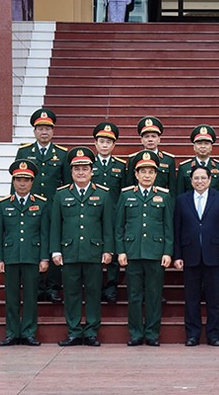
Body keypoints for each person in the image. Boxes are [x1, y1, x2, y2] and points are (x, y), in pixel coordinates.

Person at [50, 147, 114, 347]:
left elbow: (108, 225)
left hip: (94, 252)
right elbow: (55, 225)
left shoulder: (103, 194)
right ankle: (74, 331)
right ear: (71, 172)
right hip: (69, 251)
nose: (80, 172)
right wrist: (55, 250)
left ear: (91, 171)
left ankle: (92, 331)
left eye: (84, 168)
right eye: (76, 168)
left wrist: (108, 249)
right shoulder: (61, 195)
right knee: (71, 293)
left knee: (94, 293)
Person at [116, 151, 174, 347]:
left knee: (154, 294)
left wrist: (167, 252)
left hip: (156, 253)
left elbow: (168, 227)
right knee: (133, 295)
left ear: (156, 175)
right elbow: (119, 226)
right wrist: (121, 251)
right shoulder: (126, 195)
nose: (147, 175)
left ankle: (151, 333)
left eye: (151, 172)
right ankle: (135, 333)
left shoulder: (164, 196)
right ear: (136, 174)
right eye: (143, 172)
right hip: (132, 252)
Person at [174, 165, 219, 347]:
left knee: (214, 299)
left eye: (203, 178)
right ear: (191, 181)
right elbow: (177, 229)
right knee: (191, 299)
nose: (199, 181)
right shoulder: (181, 200)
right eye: (196, 178)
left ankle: (213, 335)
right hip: (190, 255)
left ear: (210, 179)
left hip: (214, 256)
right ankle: (192, 334)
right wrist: (177, 255)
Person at [15, 108, 69, 303]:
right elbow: (17, 181)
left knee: (54, 244)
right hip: (30, 208)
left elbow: (67, 183)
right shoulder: (24, 152)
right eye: (40, 128)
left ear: (53, 131)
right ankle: (36, 286)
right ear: (34, 131)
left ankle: (53, 286)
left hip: (54, 208)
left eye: (47, 128)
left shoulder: (62, 154)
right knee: (34, 244)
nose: (44, 132)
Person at [0, 160, 50, 346]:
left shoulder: (41, 204)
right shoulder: (3, 205)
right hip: (10, 257)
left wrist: (43, 257)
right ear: (13, 181)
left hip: (32, 256)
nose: (22, 183)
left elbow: (44, 232)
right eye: (18, 179)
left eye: (26, 180)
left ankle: (28, 332)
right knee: (11, 297)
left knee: (31, 296)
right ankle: (11, 333)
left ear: (32, 182)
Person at [91, 121, 127, 303]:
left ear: (114, 145)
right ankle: (96, 286)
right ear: (95, 144)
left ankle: (111, 286)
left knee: (112, 250)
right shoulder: (87, 165)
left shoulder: (120, 166)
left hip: (113, 215)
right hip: (92, 216)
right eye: (101, 141)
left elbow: (124, 192)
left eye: (108, 142)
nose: (105, 145)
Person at [125, 116, 176, 196]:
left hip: (161, 202)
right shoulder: (133, 159)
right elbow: (130, 185)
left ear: (159, 139)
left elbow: (172, 189)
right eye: (146, 136)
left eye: (153, 136)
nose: (150, 139)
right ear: (141, 140)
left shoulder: (168, 160)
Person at [176, 124, 219, 195]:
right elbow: (179, 193)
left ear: (211, 147)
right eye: (199, 143)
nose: (203, 146)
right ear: (194, 146)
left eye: (206, 143)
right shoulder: (184, 167)